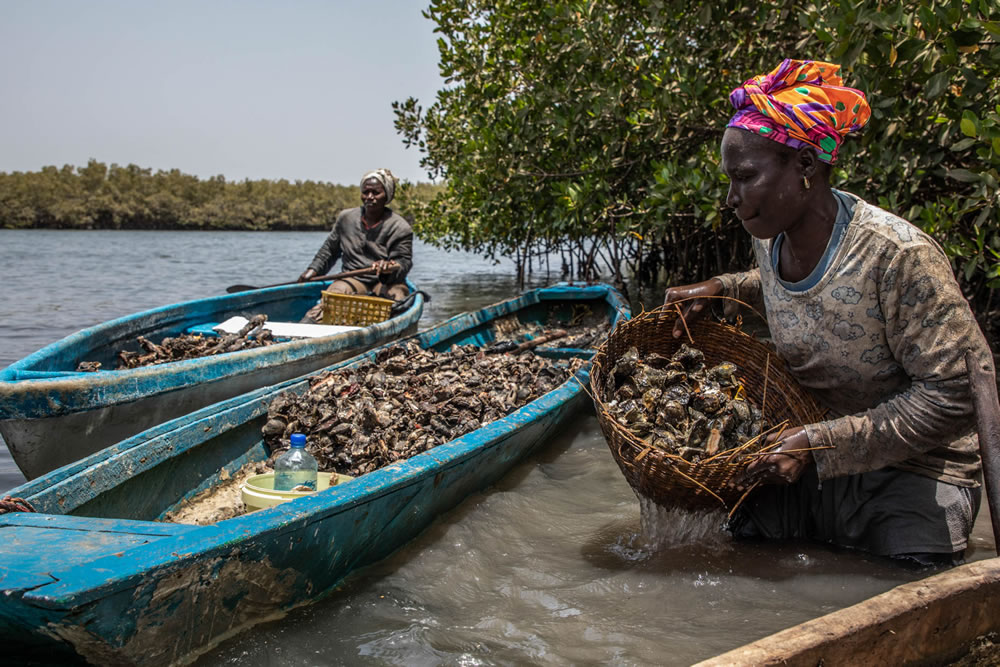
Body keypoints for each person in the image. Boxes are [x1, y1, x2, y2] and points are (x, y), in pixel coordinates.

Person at [663, 59, 994, 567]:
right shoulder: (769, 239)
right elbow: (788, 288)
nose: (732, 198)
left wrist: (820, 444)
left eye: (745, 177)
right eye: (730, 180)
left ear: (806, 168)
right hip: (810, 456)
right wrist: (720, 288)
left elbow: (958, 395)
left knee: (906, 581)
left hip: (920, 472)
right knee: (735, 551)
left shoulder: (897, 256)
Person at [299, 168, 413, 322]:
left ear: (386, 196)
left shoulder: (400, 227)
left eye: (376, 193)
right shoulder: (346, 218)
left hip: (384, 283)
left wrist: (388, 269)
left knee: (399, 295)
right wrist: (312, 271)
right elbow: (329, 251)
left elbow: (403, 263)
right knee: (335, 293)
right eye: (366, 192)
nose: (370, 197)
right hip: (354, 279)